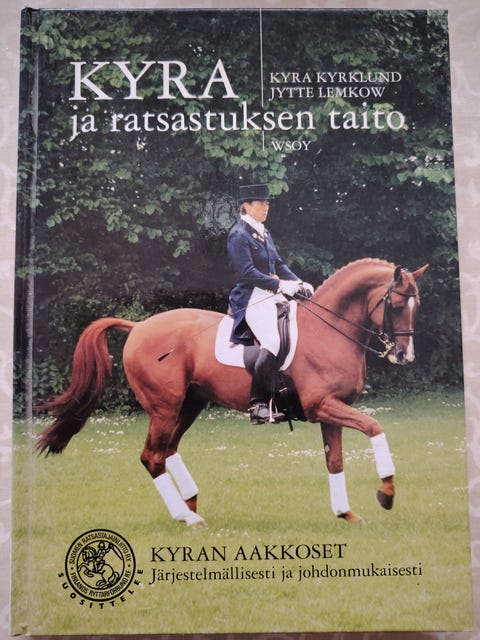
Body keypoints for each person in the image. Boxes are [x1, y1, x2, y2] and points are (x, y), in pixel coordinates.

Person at [227, 183, 313, 424]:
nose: (266, 208)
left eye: (267, 204)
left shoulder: (263, 232)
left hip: (270, 295)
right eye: (261, 204)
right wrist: (280, 285)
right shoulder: (238, 234)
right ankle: (258, 404)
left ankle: (283, 397)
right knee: (272, 341)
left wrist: (298, 282)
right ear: (247, 206)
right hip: (251, 298)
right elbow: (246, 272)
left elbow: (279, 264)